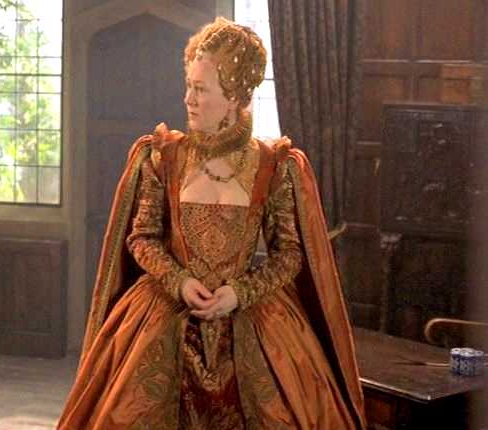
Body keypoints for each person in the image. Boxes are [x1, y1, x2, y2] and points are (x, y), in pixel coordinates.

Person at [58, 17, 366, 429]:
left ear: (235, 95)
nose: (188, 98)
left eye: (201, 89)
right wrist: (180, 282)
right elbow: (141, 237)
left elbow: (290, 253)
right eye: (189, 85)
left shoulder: (274, 166)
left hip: (252, 318)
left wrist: (240, 292)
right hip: (164, 314)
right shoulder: (162, 157)